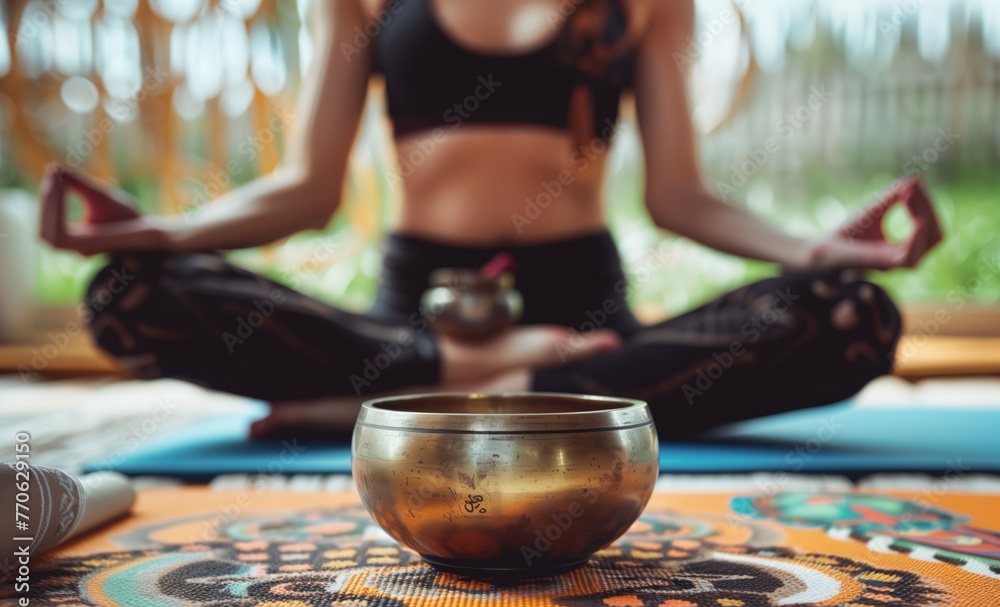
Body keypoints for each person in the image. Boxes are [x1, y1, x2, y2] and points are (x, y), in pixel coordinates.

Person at [39, 0, 941, 438]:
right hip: (411, 317)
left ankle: (432, 399)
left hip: (586, 324)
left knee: (853, 315)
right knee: (127, 294)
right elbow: (305, 191)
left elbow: (679, 197)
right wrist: (162, 234)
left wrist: (811, 250)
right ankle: (464, 377)